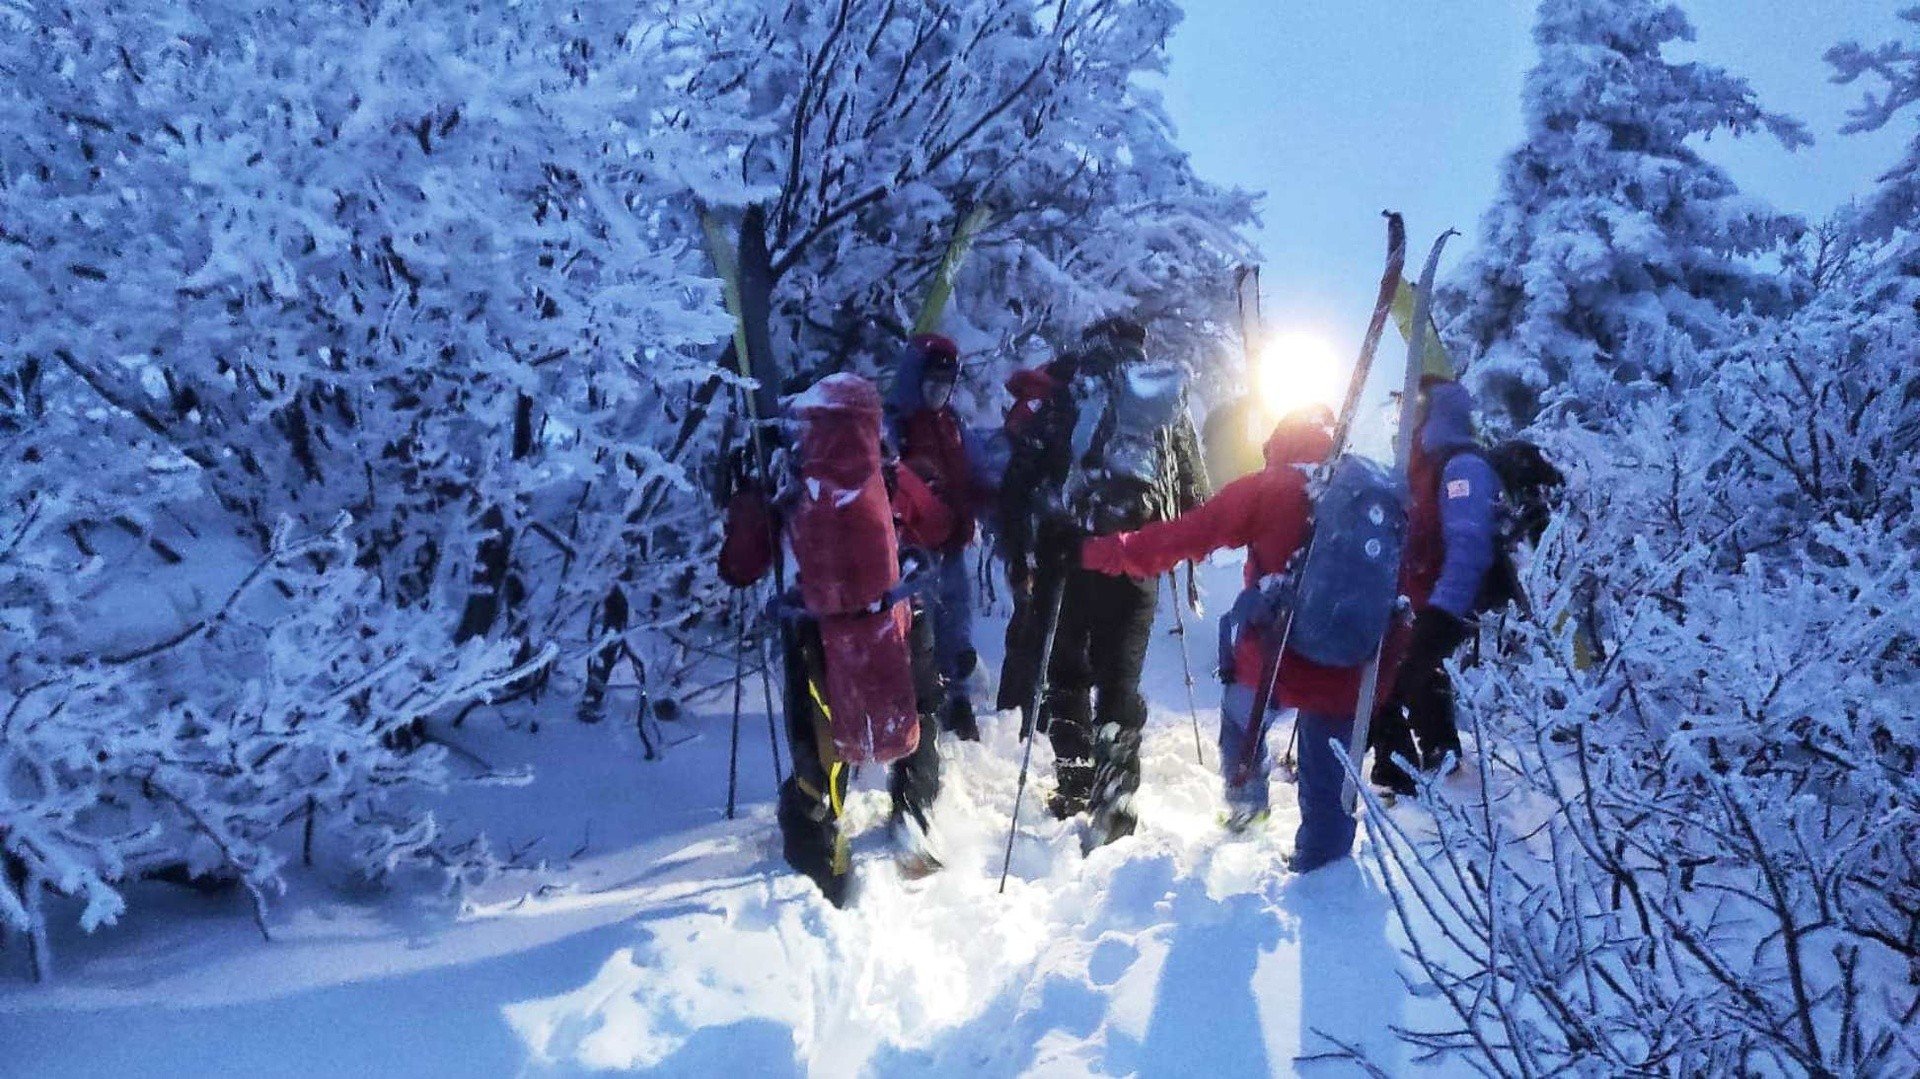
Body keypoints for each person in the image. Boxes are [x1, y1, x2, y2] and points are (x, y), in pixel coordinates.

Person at [1081, 409, 1382, 873]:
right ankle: (1326, 875)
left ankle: (1247, 813)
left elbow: (1187, 535)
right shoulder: (1367, 491)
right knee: (1329, 776)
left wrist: (1104, 551)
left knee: (1242, 722)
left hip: (1276, 657)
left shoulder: (1269, 488)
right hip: (1349, 654)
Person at [719, 374, 954, 906]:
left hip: (813, 626)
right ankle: (913, 814)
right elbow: (937, 524)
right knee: (921, 706)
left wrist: (745, 502)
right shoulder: (883, 465)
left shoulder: (780, 473)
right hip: (895, 613)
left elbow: (740, 567)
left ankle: (819, 851)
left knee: (822, 735)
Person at [1000, 316, 1209, 850]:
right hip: (1134, 560)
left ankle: (1073, 780)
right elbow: (1196, 491)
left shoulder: (1068, 393)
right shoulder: (1163, 402)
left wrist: (1022, 551)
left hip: (1064, 559)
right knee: (1119, 677)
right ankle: (1114, 799)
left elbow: (1019, 479)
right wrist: (1171, 546)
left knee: (1065, 670)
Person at [1368, 380, 1501, 795]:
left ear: (1429, 413)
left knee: (1387, 684)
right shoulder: (1422, 467)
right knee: (1421, 679)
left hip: (1445, 603)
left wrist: (1442, 615)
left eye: (1410, 411)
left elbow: (1469, 545)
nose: (1401, 421)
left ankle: (1397, 777)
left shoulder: (1462, 467)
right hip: (1421, 599)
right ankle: (1442, 762)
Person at [892, 333, 984, 741]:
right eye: (931, 385)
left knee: (957, 616)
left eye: (945, 387)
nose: (938, 394)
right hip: (913, 549)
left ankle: (958, 699)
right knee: (920, 628)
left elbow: (970, 474)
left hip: (951, 543)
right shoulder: (896, 426)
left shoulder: (953, 425)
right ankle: (922, 710)